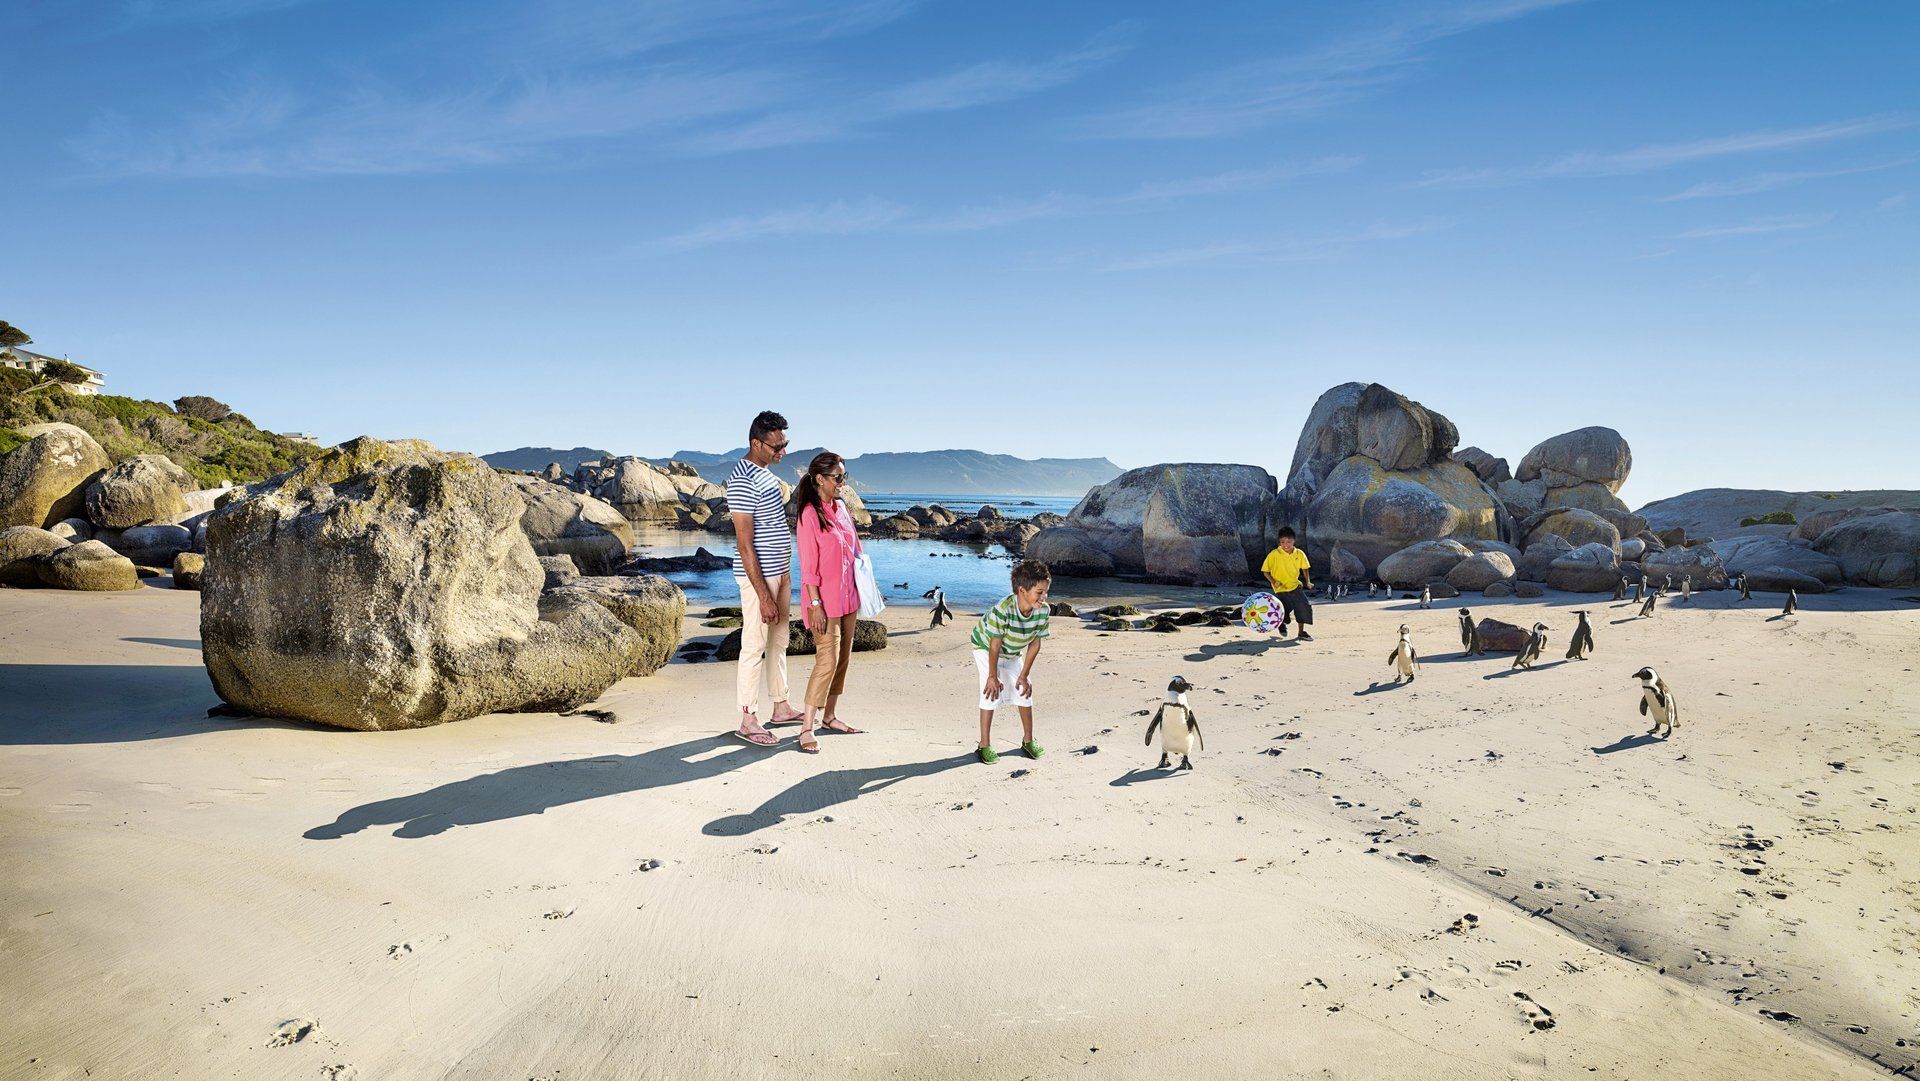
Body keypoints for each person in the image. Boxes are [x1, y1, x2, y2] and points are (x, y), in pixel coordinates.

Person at [726, 411, 804, 746]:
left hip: (780, 574)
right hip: (759, 578)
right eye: (776, 446)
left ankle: (781, 706)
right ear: (756, 442)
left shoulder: (766, 475)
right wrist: (764, 595)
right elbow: (745, 545)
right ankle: (747, 718)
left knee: (779, 642)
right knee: (754, 644)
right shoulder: (743, 480)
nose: (782, 452)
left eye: (785, 444)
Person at [793, 451, 868, 753]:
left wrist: (866, 586)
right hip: (822, 602)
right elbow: (808, 567)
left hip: (849, 596)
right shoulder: (810, 514)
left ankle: (830, 716)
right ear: (820, 479)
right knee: (826, 661)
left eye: (844, 477)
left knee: (843, 660)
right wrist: (815, 605)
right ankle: (806, 727)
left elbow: (856, 550)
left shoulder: (841, 508)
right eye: (838, 478)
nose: (842, 483)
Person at [970, 559, 1052, 764]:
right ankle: (984, 745)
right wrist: (992, 676)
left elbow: (1035, 644)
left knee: (1025, 691)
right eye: (1039, 592)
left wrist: (1024, 675)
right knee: (990, 691)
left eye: (1045, 592)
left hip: (1013, 650)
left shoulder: (1043, 610)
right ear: (1022, 590)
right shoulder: (1003, 609)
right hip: (985, 646)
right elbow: (994, 646)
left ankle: (1028, 741)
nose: (1044, 597)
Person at [1261, 526, 1315, 642]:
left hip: (1295, 585)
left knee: (1303, 606)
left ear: (1294, 541)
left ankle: (1301, 632)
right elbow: (1265, 571)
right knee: (1283, 609)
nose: (1285, 545)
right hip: (1280, 588)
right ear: (1279, 542)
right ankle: (1281, 624)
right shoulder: (1274, 554)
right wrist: (1273, 582)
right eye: (1282, 542)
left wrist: (1308, 581)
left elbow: (1305, 568)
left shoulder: (1299, 554)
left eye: (1288, 542)